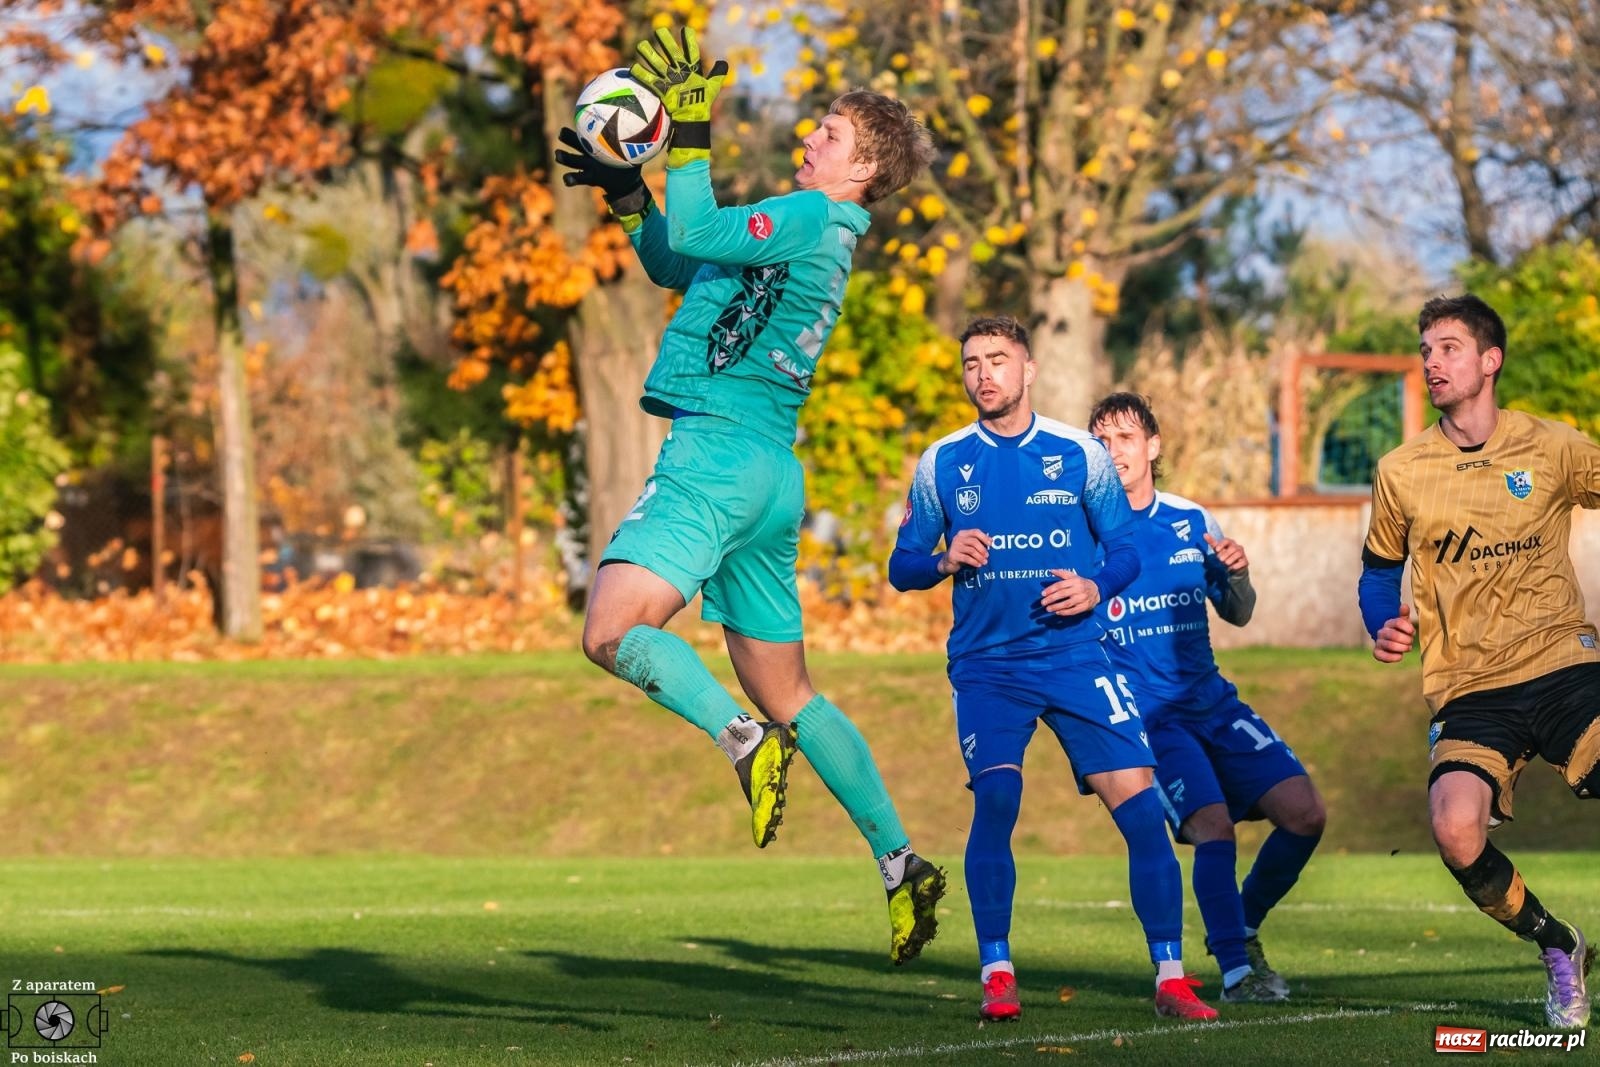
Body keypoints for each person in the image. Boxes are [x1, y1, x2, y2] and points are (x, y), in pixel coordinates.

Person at [556, 24, 947, 965]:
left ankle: (739, 739)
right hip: (771, 473)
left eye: (829, 134)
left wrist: (687, 138)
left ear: (862, 170)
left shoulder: (810, 216)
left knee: (610, 629)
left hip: (717, 457)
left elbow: (697, 228)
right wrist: (627, 193)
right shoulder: (814, 231)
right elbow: (680, 259)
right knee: (792, 692)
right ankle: (901, 863)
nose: (810, 138)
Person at [889, 316, 1218, 1022]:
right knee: (997, 800)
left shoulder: (1080, 454)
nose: (984, 374)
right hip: (988, 667)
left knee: (1142, 811)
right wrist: (943, 560)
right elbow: (901, 564)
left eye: (997, 359)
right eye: (972, 363)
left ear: (1028, 369)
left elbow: (1125, 549)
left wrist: (1097, 587)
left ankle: (1170, 979)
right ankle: (997, 972)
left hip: (1075, 657)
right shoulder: (942, 461)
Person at [1359, 293, 1599, 1028]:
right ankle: (1558, 944)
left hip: (1562, 662)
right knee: (1455, 828)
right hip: (1469, 687)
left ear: (1490, 360)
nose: (1432, 362)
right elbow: (1378, 572)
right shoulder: (1401, 470)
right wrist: (1381, 623)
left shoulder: (1553, 445)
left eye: (1449, 348)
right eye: (1426, 350)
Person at [1089, 392, 1326, 1005]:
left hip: (1215, 704)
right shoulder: (1084, 533)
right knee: (1211, 827)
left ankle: (1239, 924)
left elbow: (1238, 612)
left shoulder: (1191, 520)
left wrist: (1237, 574)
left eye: (1125, 438)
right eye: (1102, 441)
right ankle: (1237, 973)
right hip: (1152, 720)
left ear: (1153, 447)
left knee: (1305, 815)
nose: (1113, 452)